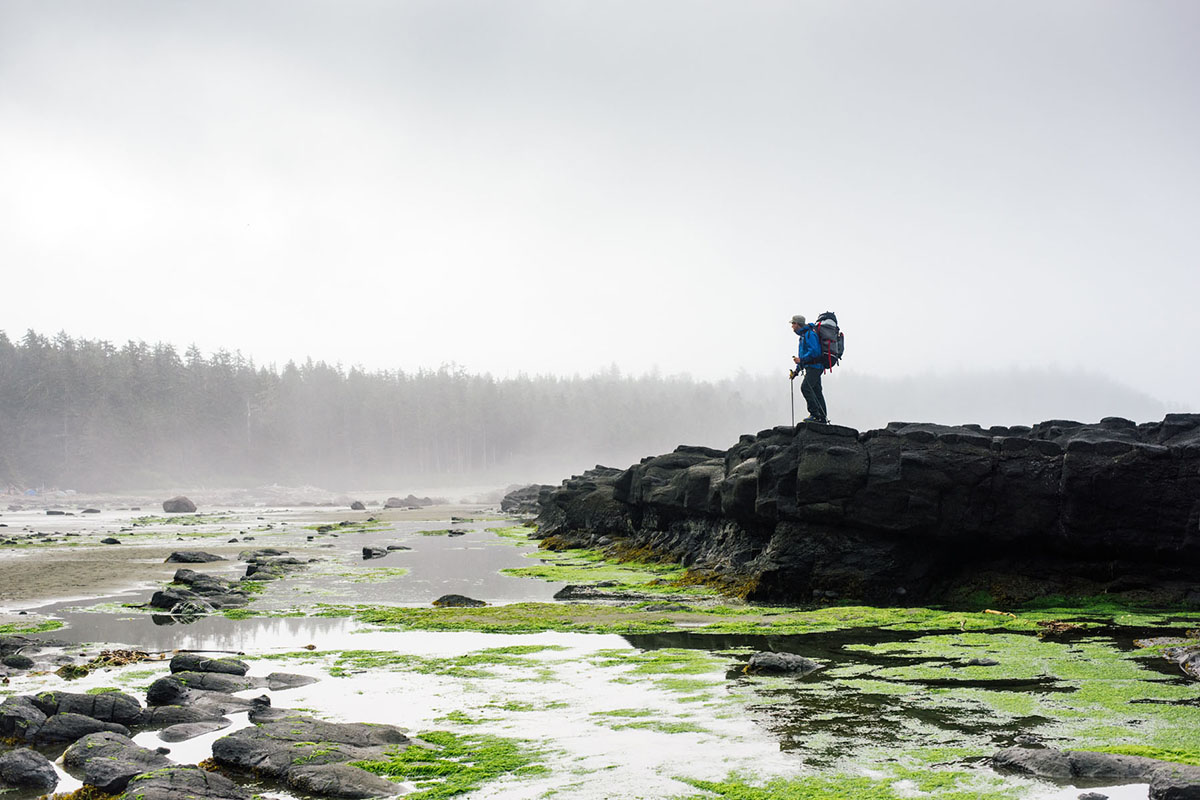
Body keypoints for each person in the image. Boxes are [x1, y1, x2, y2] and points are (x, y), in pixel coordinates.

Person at [790, 314, 828, 424]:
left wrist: (801, 360)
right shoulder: (803, 336)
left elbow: (814, 352)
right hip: (813, 367)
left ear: (797, 324)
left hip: (815, 367)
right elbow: (803, 357)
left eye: (793, 324)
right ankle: (822, 418)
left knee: (806, 388)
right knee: (816, 391)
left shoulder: (809, 334)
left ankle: (815, 415)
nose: (792, 326)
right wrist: (796, 371)